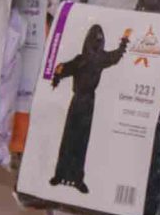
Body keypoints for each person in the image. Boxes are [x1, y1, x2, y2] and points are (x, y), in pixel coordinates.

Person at [47, 23, 131, 191]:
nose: (96, 44)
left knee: (79, 139)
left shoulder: (98, 59)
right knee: (70, 137)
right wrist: (58, 72)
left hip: (86, 101)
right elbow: (64, 69)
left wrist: (124, 40)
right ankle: (61, 174)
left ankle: (75, 178)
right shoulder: (83, 60)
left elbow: (115, 56)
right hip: (79, 100)